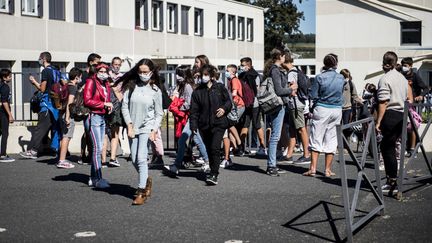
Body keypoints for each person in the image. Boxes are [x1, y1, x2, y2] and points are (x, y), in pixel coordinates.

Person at [121, 58, 163, 205]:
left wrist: (154, 129)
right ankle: (146, 181)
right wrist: (129, 125)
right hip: (133, 126)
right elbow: (124, 106)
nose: (143, 74)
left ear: (151, 72)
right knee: (133, 159)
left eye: (145, 72)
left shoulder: (156, 91)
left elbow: (159, 113)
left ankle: (141, 192)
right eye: (140, 72)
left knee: (141, 157)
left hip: (147, 127)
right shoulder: (130, 87)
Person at [303, 53, 344, 177]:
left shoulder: (319, 77)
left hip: (322, 107)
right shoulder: (341, 77)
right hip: (337, 109)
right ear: (336, 64)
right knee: (331, 138)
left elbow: (314, 95)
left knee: (316, 136)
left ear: (324, 64)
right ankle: (327, 170)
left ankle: (313, 168)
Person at [189, 64, 232, 185]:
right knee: (209, 149)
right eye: (202, 75)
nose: (204, 77)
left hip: (219, 124)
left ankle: (214, 173)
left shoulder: (219, 88)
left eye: (206, 75)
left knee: (215, 148)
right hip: (204, 126)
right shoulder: (197, 92)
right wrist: (193, 126)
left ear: (212, 76)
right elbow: (194, 111)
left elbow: (228, 102)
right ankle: (213, 169)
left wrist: (224, 109)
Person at [164, 65, 210, 174]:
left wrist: (178, 107)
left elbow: (189, 103)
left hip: (193, 116)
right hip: (192, 116)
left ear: (184, 75)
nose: (177, 76)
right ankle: (206, 162)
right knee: (195, 140)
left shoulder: (187, 86)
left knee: (187, 140)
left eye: (179, 74)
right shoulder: (184, 85)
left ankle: (177, 165)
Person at [376, 51, 408, 194]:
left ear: (384, 62)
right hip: (402, 115)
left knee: (387, 148)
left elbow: (383, 102)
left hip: (390, 114)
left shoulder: (384, 79)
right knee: (391, 147)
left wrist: (378, 121)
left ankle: (392, 182)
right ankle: (392, 180)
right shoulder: (402, 78)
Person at [264, 47, 298, 176]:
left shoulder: (272, 69)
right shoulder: (276, 71)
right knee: (275, 136)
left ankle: (272, 164)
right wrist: (291, 89)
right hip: (278, 105)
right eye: (284, 56)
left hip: (275, 105)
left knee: (275, 136)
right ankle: (271, 165)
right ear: (280, 56)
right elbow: (279, 90)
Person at [20, 52, 60, 159]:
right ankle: (57, 150)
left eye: (39, 58)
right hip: (55, 103)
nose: (39, 60)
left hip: (47, 104)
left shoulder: (46, 71)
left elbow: (42, 89)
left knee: (40, 128)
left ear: (43, 59)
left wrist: (33, 82)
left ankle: (33, 151)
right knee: (54, 127)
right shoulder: (56, 71)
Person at [83, 63, 113, 189]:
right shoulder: (91, 81)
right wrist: (103, 104)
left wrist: (108, 106)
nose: (103, 73)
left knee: (98, 149)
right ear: (96, 71)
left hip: (101, 117)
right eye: (100, 71)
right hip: (93, 116)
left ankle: (93, 177)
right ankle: (98, 178)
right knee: (97, 149)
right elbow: (87, 100)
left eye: (105, 71)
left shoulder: (105, 83)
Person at [280, 54, 311, 165]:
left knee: (301, 129)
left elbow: (292, 91)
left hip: (295, 104)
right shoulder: (297, 71)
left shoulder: (291, 74)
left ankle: (306, 155)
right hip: (299, 103)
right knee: (293, 130)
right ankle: (289, 154)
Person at [238, 57, 267, 157]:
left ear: (248, 65)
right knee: (256, 124)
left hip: (247, 103)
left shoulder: (241, 76)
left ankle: (240, 147)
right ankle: (262, 147)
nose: (241, 67)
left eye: (243, 65)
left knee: (246, 124)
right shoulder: (255, 75)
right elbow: (257, 90)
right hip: (254, 103)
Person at [56, 67, 82, 169]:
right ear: (76, 77)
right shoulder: (72, 88)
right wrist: (67, 117)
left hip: (61, 113)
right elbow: (70, 103)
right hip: (67, 115)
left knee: (64, 136)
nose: (80, 78)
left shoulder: (67, 85)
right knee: (67, 137)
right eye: (79, 77)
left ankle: (62, 158)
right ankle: (62, 160)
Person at [222, 64, 245, 167]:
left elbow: (234, 94)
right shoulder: (230, 81)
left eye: (227, 70)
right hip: (235, 106)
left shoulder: (234, 80)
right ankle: (235, 147)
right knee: (229, 125)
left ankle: (239, 144)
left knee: (230, 123)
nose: (226, 72)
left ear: (232, 72)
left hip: (238, 106)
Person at [106, 57, 124, 167]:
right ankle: (103, 159)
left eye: (118, 64)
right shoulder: (106, 75)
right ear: (111, 64)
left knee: (115, 132)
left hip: (116, 106)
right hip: (106, 104)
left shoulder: (122, 77)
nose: (116, 66)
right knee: (104, 133)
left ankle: (112, 157)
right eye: (115, 64)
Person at [340, 69, 362, 140]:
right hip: (338, 108)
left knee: (346, 126)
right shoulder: (337, 83)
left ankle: (345, 143)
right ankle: (337, 143)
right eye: (345, 76)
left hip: (347, 108)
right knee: (337, 126)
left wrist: (361, 102)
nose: (346, 78)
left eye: (348, 76)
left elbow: (354, 95)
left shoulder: (351, 83)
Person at [0, 69, 14, 162]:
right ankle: (3, 155)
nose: (11, 77)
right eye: (9, 76)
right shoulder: (5, 87)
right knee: (5, 133)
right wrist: (10, 115)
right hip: (3, 113)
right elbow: (4, 102)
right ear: (4, 77)